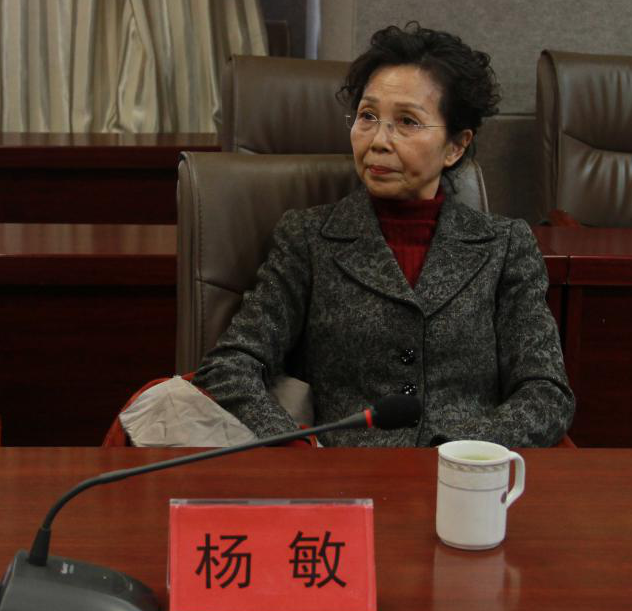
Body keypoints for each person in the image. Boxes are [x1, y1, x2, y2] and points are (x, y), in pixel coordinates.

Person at [192, 23, 574, 447]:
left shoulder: (506, 246)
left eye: (407, 122)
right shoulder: (307, 239)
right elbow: (230, 365)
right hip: (345, 473)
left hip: (466, 473)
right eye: (368, 117)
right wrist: (296, 448)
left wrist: (464, 452)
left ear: (455, 146)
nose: (378, 141)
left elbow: (546, 394)